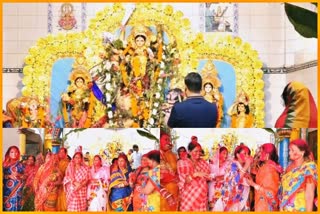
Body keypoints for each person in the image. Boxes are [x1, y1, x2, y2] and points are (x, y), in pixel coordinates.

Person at [279, 139, 318, 211]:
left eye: (293, 150)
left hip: (299, 208)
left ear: (302, 152)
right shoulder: (289, 166)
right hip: (285, 208)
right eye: (289, 150)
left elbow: (309, 194)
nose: (290, 153)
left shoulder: (308, 168)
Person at [246, 143, 282, 211]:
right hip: (261, 202)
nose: (259, 154)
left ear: (267, 155)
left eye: (261, 152)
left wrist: (253, 184)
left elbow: (270, 193)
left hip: (265, 205)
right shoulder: (270, 166)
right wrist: (252, 180)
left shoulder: (269, 169)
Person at [178, 141, 210, 211]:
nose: (198, 153)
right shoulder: (183, 162)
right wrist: (196, 174)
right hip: (189, 198)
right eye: (196, 151)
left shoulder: (203, 162)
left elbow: (207, 176)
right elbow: (185, 180)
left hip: (202, 197)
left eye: (199, 151)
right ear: (189, 152)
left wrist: (209, 177)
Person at [221, 144, 253, 211]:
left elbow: (249, 180)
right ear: (238, 155)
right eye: (245, 153)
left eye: (248, 154)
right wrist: (246, 166)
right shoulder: (232, 165)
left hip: (243, 198)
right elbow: (234, 182)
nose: (247, 156)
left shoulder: (245, 165)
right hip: (232, 200)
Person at [160, 132, 179, 211]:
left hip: (175, 192)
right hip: (163, 194)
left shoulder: (173, 155)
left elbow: (178, 172)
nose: (168, 142)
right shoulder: (157, 155)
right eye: (166, 140)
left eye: (169, 140)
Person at [3, 146, 25, 211]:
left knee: (17, 207)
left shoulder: (21, 165)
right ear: (8, 153)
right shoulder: (4, 165)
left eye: (16, 152)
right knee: (7, 207)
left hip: (18, 190)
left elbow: (25, 176)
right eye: (12, 152)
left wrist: (19, 175)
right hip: (7, 191)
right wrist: (9, 176)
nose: (14, 154)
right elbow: (2, 176)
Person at [209, 146, 230, 211]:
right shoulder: (212, 164)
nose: (226, 155)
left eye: (227, 154)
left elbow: (230, 175)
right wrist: (213, 177)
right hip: (212, 188)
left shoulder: (228, 164)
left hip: (223, 188)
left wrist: (220, 177)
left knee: (220, 206)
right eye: (224, 153)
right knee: (212, 206)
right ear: (219, 154)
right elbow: (208, 175)